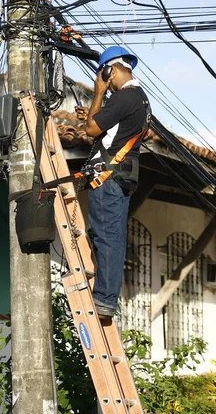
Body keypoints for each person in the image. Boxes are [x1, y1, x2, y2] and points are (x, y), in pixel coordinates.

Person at [75, 46, 151, 318]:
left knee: (106, 237)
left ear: (111, 71)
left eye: (104, 75)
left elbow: (92, 129)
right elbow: (107, 130)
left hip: (108, 177)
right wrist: (96, 112)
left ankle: (104, 299)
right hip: (124, 175)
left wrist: (99, 93)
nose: (105, 82)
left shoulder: (123, 98)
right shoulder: (141, 99)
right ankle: (106, 296)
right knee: (111, 236)